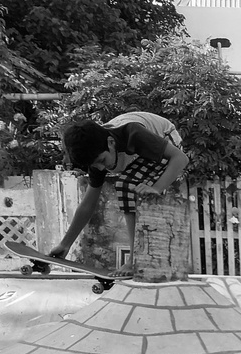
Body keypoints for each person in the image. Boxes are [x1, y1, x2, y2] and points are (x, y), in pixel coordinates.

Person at [52, 112, 190, 275]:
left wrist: (157, 188)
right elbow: (88, 204)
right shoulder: (95, 150)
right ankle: (140, 256)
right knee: (128, 186)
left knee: (125, 185)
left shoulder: (133, 134)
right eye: (96, 165)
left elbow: (181, 158)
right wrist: (65, 244)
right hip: (142, 156)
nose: (102, 168)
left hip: (169, 141)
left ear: (111, 143)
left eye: (103, 161)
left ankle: (134, 260)